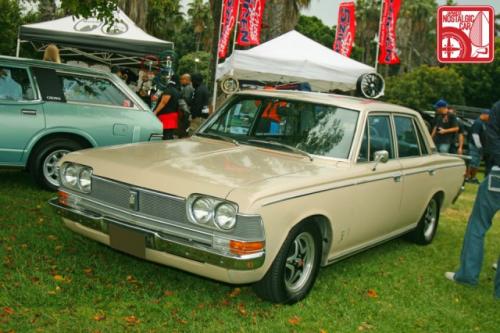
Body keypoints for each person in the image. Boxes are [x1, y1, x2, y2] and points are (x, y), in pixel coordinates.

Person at [445, 100, 500, 301]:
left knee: (478, 225)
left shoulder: (498, 108)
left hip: (498, 173)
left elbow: (491, 137)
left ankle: (468, 275)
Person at [466, 110, 490, 184]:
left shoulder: (483, 123)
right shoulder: (478, 123)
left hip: (478, 146)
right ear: (485, 115)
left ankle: (473, 177)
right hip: (475, 145)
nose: (490, 118)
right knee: (472, 161)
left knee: (476, 162)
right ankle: (467, 177)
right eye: (489, 116)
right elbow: (475, 135)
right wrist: (479, 146)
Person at [153, 75, 180, 140]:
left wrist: (155, 112)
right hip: (173, 116)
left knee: (166, 136)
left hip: (166, 117)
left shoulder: (169, 90)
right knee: (169, 135)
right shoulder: (177, 91)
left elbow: (163, 102)